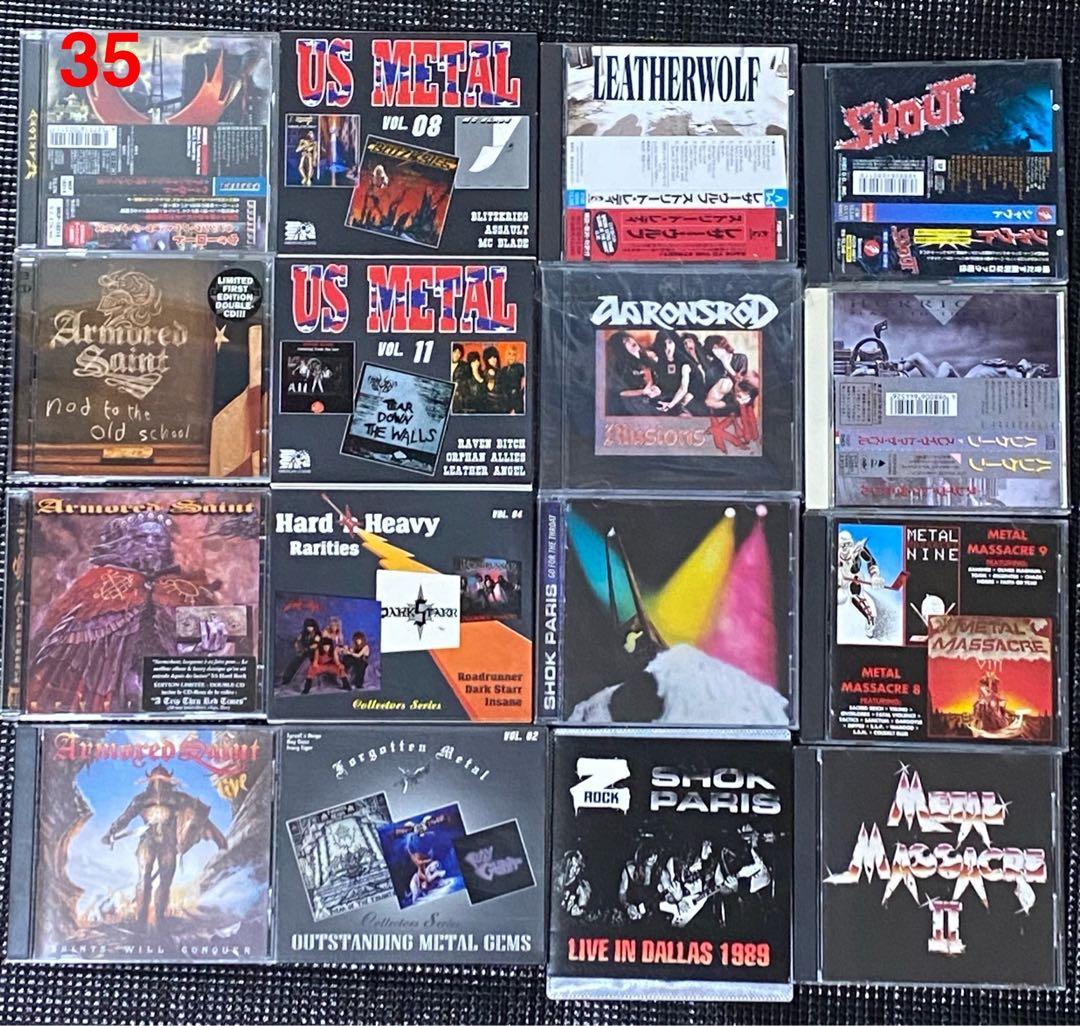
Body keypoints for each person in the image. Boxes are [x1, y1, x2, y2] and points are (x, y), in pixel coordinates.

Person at [103, 765, 227, 931]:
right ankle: (140, 921)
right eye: (156, 779)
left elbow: (199, 814)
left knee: (165, 881)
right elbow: (125, 818)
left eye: (162, 779)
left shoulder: (179, 798)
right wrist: (111, 832)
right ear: (150, 780)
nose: (159, 783)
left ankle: (159, 919)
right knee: (144, 878)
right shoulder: (141, 799)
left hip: (168, 843)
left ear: (169, 780)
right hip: (147, 840)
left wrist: (218, 838)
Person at [651, 329, 695, 415]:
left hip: (680, 399)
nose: (667, 347)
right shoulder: (658, 360)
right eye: (663, 344)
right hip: (662, 398)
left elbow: (683, 389)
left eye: (670, 342)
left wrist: (670, 405)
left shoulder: (684, 364)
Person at [280, 618, 321, 690]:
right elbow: (297, 640)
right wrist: (298, 646)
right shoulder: (304, 633)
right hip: (304, 652)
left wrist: (307, 648)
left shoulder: (317, 634)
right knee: (294, 663)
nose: (310, 628)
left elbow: (316, 645)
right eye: (308, 627)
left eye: (311, 627)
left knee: (304, 666)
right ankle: (286, 679)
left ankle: (301, 684)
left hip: (313, 654)